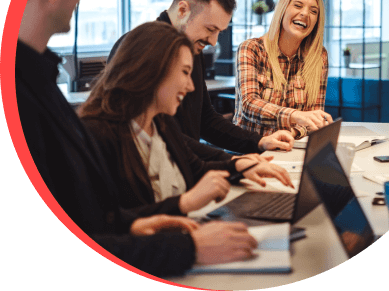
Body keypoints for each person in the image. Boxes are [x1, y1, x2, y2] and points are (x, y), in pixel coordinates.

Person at [15, 0, 258, 277]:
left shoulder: (38, 80)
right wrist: (185, 246)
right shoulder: (34, 99)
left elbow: (92, 214)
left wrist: (134, 224)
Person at [78, 21, 293, 213]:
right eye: (184, 72)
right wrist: (185, 203)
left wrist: (240, 166)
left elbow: (196, 169)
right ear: (152, 70)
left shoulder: (160, 123)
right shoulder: (96, 135)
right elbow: (106, 225)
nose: (190, 86)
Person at [108, 0, 294, 163]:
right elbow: (161, 135)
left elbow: (206, 119)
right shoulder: (139, 48)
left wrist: (259, 142)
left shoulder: (190, 47)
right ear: (182, 11)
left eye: (219, 32)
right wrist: (231, 163)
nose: (213, 42)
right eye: (210, 29)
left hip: (186, 169)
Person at [233, 0, 333, 139]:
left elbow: (314, 118)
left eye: (314, 11)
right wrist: (295, 116)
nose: (305, 14)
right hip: (250, 150)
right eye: (298, 6)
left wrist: (291, 133)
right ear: (283, 10)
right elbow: (249, 105)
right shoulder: (251, 49)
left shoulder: (319, 56)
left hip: (291, 147)